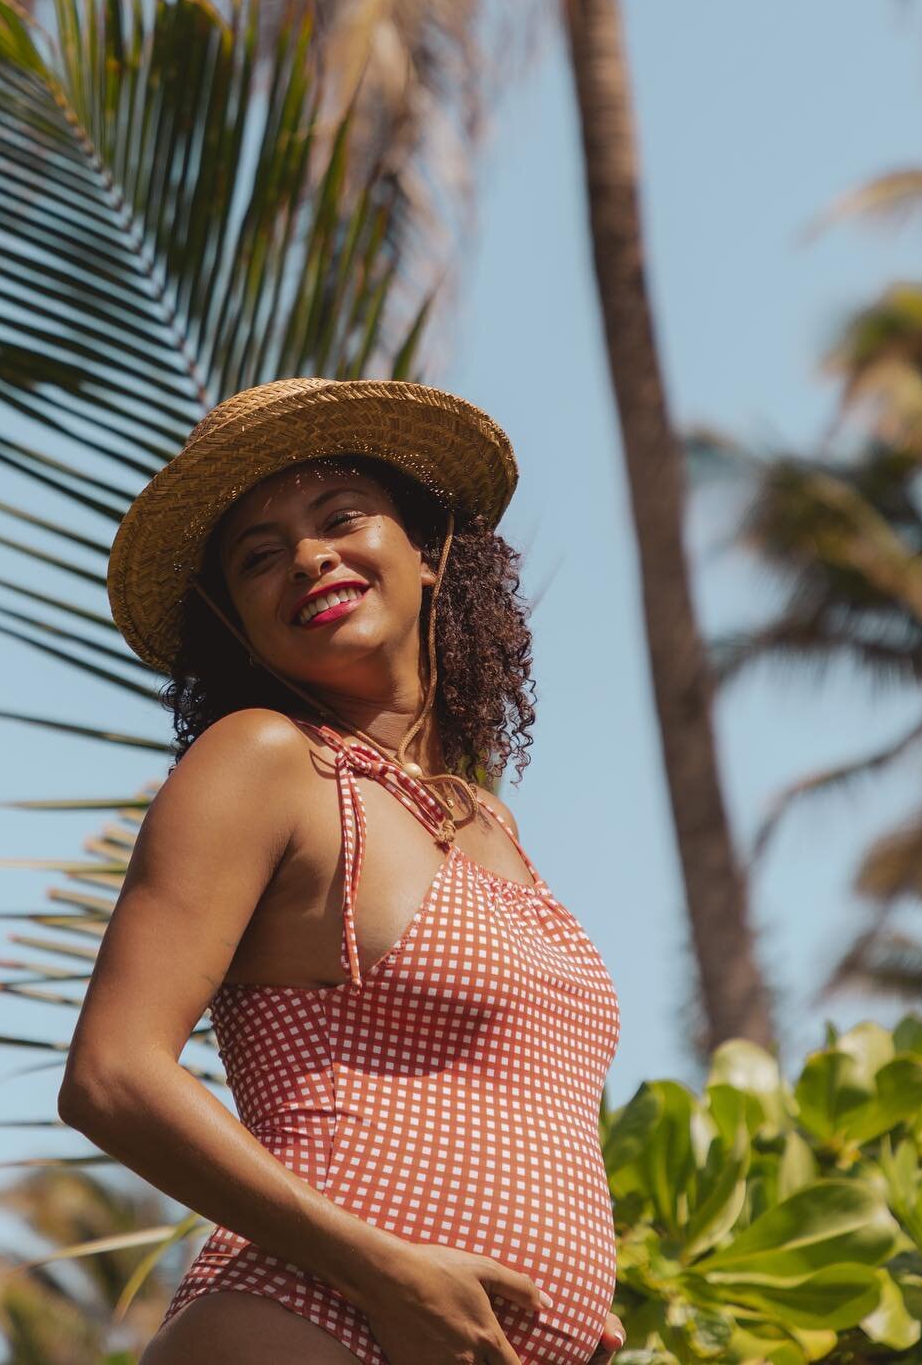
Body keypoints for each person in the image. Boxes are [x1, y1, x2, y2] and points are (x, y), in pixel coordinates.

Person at [59, 378, 625, 1365]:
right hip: (310, 1319)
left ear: (429, 551)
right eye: (259, 555)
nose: (310, 556)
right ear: (237, 621)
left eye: (340, 517)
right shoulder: (265, 759)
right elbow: (113, 1071)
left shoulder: (488, 820)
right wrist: (382, 1268)